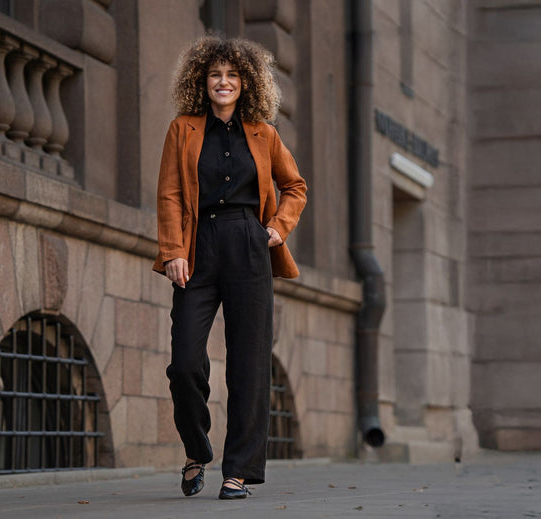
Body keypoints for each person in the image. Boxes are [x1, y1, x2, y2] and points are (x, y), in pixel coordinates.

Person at [153, 35, 307, 500]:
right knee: (184, 363)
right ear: (201, 80)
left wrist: (276, 229)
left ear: (247, 83)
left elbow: (294, 186)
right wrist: (174, 250)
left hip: (248, 243)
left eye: (232, 75)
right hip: (197, 245)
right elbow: (170, 194)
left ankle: (238, 471)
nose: (223, 82)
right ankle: (196, 449)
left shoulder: (264, 133)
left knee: (249, 363)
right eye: (215, 74)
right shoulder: (183, 129)